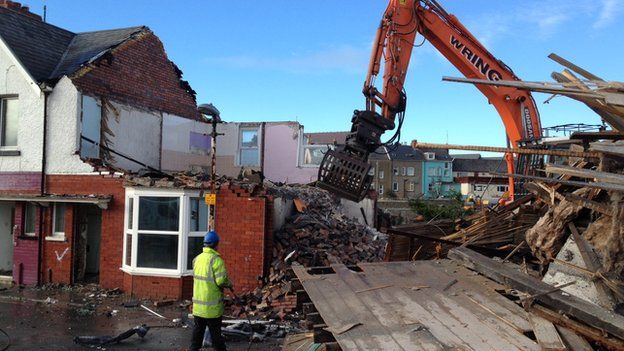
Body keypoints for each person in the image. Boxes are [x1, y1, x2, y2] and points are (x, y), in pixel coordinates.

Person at [190, 230, 232, 351]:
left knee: (197, 333)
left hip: (198, 306)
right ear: (216, 244)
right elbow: (221, 281)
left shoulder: (197, 259)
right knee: (216, 336)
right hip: (212, 308)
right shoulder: (216, 260)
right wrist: (229, 284)